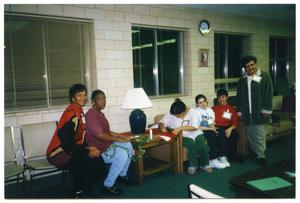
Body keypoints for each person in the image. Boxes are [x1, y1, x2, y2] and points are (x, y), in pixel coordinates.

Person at [46, 84, 107, 198]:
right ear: (73, 98)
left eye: (84, 95)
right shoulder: (72, 113)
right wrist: (86, 152)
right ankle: (76, 193)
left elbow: (79, 138)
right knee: (90, 164)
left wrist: (88, 148)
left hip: (70, 150)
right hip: (58, 154)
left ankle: (83, 190)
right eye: (79, 95)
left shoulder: (79, 111)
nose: (83, 98)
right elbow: (66, 142)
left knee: (98, 164)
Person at [85, 90, 133, 196]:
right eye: (100, 99)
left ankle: (122, 174)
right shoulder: (91, 114)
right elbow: (99, 135)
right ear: (93, 101)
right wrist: (118, 139)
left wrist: (119, 136)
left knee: (128, 145)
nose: (103, 101)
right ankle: (108, 185)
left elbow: (107, 132)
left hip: (107, 144)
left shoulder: (99, 113)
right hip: (99, 149)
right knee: (122, 155)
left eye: (104, 98)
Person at [159, 98, 212, 175]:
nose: (177, 117)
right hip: (182, 135)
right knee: (191, 144)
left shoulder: (192, 112)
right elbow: (161, 122)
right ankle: (193, 165)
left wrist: (180, 128)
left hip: (195, 132)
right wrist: (162, 126)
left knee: (202, 144)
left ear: (184, 111)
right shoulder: (172, 112)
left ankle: (205, 164)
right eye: (176, 115)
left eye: (179, 115)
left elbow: (195, 127)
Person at [237, 55, 273, 166]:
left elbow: (268, 93)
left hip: (260, 112)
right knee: (251, 134)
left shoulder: (264, 76)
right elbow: (239, 97)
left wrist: (265, 110)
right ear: (244, 68)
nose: (250, 67)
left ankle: (261, 156)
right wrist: (240, 112)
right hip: (248, 113)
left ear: (256, 64)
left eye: (252, 65)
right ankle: (255, 153)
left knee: (260, 135)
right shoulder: (242, 80)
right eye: (247, 66)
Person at [194, 94, 230, 169]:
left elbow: (212, 122)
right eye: (200, 102)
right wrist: (210, 129)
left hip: (208, 128)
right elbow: (197, 126)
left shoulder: (210, 110)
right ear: (197, 104)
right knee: (212, 135)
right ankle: (212, 160)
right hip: (199, 130)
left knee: (221, 132)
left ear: (206, 101)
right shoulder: (195, 112)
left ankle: (222, 156)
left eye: (204, 101)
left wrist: (213, 127)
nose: (203, 103)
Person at [212, 89, 244, 163]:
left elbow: (235, 122)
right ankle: (223, 156)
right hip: (216, 127)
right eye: (219, 97)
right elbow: (209, 119)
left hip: (227, 127)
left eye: (223, 97)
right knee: (222, 134)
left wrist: (230, 129)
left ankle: (232, 155)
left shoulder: (231, 109)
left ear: (227, 97)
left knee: (235, 135)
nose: (221, 99)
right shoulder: (213, 109)